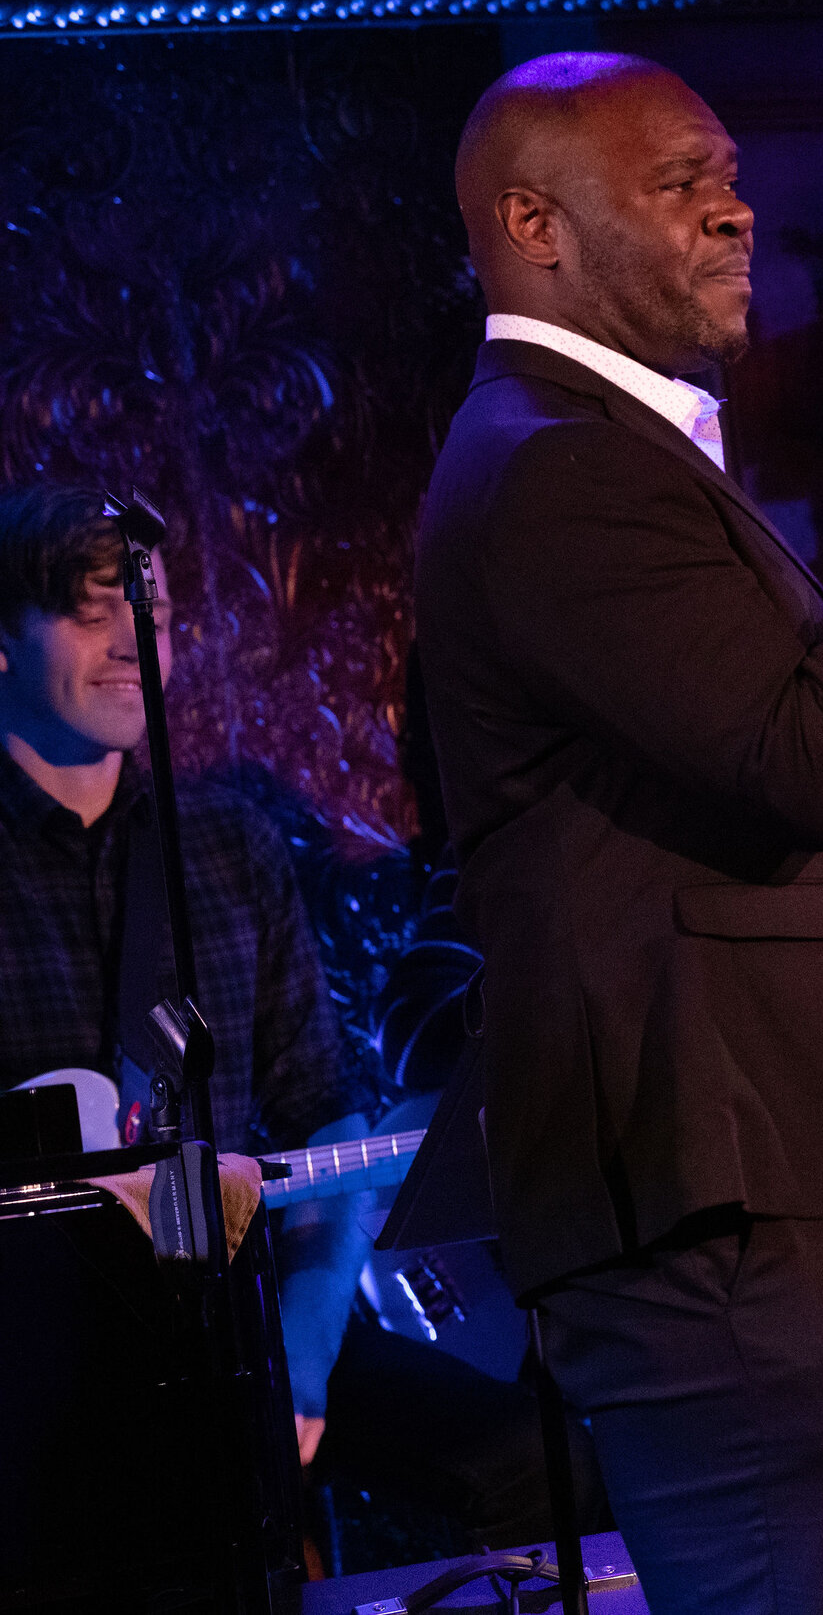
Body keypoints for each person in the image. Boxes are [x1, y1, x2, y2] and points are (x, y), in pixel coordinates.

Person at [416, 52, 823, 1614]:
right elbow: (804, 754)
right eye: (681, 180)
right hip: (727, 1219)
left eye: (732, 173)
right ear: (534, 225)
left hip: (818, 1181)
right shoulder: (549, 467)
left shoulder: (619, 457)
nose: (737, 207)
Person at [0, 479, 604, 1554]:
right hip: (41, 1359)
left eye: (158, 615)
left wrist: (308, 1353)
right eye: (94, 611)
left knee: (538, 1462)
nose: (135, 644)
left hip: (244, 1325)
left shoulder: (228, 848)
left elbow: (325, 1121)